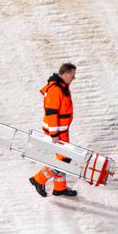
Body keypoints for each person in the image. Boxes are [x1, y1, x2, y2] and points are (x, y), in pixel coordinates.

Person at [28, 63, 78, 197]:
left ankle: (59, 188)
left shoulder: (62, 87)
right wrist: (54, 134)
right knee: (64, 160)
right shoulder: (55, 90)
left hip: (62, 131)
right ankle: (38, 179)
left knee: (62, 158)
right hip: (57, 133)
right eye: (72, 76)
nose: (74, 78)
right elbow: (51, 113)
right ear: (66, 74)